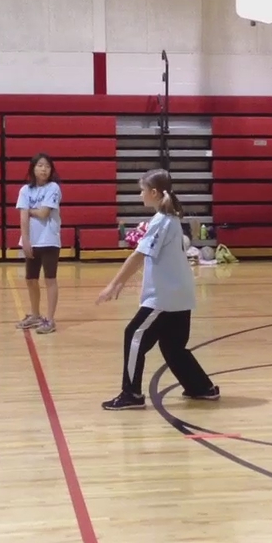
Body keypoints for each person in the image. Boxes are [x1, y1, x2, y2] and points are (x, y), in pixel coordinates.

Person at [96, 169, 220, 411]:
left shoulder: (162, 221)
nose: (140, 194)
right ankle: (201, 388)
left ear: (153, 192)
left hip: (164, 298)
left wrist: (114, 283)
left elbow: (138, 256)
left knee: (133, 335)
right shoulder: (168, 219)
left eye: (142, 190)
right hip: (180, 296)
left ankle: (131, 393)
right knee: (173, 347)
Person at [16, 152, 62, 333]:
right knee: (30, 279)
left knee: (50, 279)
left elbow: (44, 213)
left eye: (47, 166)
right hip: (32, 241)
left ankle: (50, 320)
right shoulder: (25, 190)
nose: (44, 169)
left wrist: (29, 210)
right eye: (40, 165)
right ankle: (35, 315)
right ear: (33, 168)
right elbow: (22, 216)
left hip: (49, 240)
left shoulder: (53, 188)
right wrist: (25, 240)